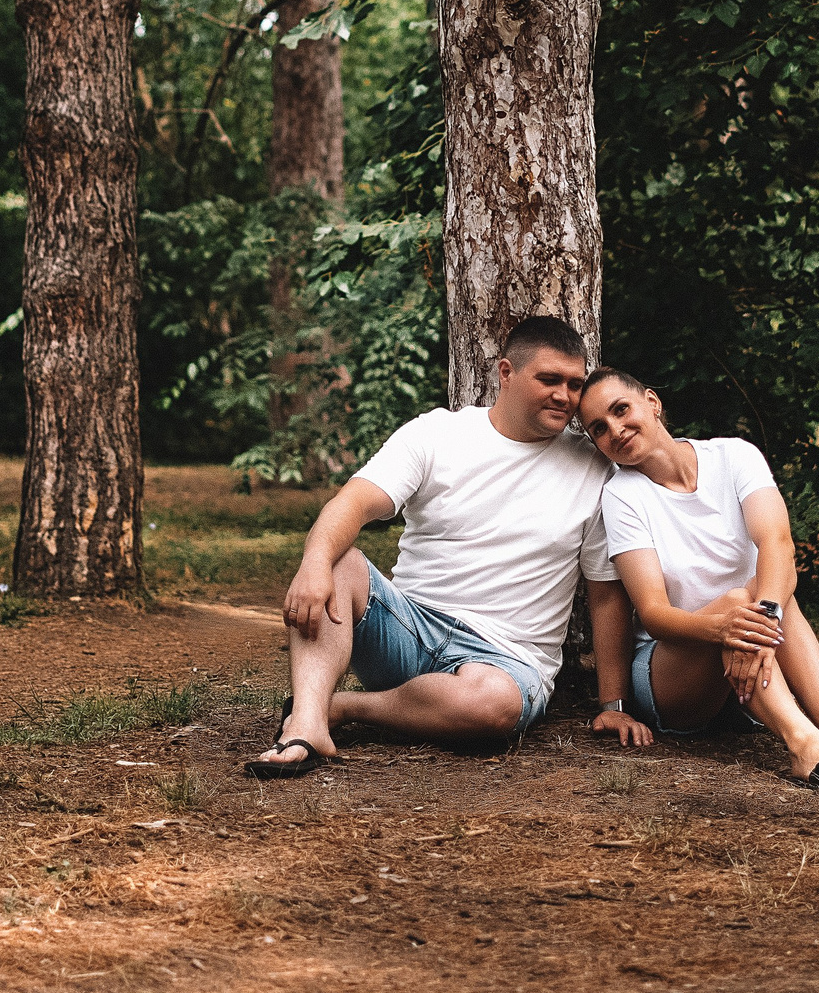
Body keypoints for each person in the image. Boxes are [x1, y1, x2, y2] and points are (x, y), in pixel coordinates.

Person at [246, 317, 651, 777]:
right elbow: (353, 503)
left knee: (492, 706)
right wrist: (314, 564)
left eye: (575, 384)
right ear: (505, 373)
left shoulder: (593, 468)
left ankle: (346, 707)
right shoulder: (437, 434)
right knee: (340, 561)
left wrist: (613, 702)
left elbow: (604, 593)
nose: (564, 395)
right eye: (549, 379)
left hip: (506, 660)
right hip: (409, 630)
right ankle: (305, 724)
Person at [577, 366, 819, 792]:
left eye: (620, 409)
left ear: (652, 402)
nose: (615, 429)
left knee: (773, 591)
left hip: (748, 667)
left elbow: (778, 544)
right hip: (673, 676)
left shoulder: (733, 456)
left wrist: (760, 619)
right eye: (599, 428)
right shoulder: (621, 495)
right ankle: (804, 745)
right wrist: (724, 627)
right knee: (739, 603)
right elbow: (653, 614)